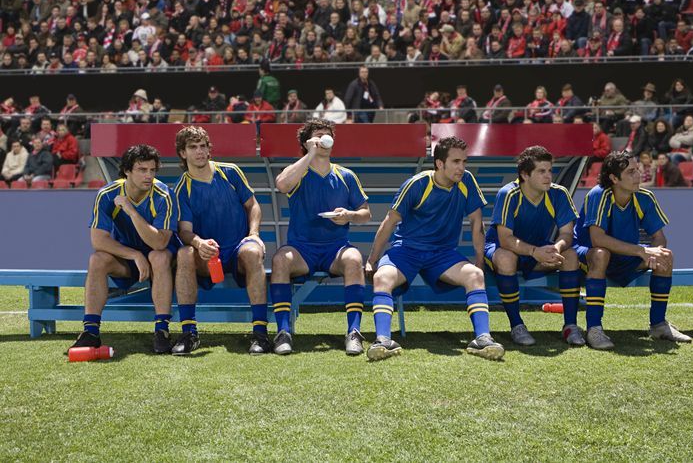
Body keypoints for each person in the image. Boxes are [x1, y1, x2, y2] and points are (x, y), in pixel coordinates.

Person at [364, 136, 504, 361]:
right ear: (440, 163)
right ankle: (383, 341)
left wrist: (479, 258)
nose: (462, 167)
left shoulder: (467, 181)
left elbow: (477, 223)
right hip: (407, 249)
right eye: (456, 162)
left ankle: (483, 339)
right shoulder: (417, 184)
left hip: (442, 254)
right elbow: (389, 223)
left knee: (475, 275)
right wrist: (372, 260)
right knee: (382, 278)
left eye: (464, 162)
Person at [573, 151, 692, 350]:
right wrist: (641, 251)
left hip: (624, 254)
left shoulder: (645, 197)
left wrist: (655, 252)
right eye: (631, 172)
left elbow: (659, 237)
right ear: (613, 178)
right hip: (588, 253)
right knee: (602, 254)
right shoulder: (599, 194)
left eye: (638, 170)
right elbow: (597, 239)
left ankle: (658, 325)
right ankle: (594, 328)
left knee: (665, 256)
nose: (638, 175)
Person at [271, 119, 371, 355]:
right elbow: (282, 184)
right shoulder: (299, 172)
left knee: (355, 259)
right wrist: (310, 153)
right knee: (280, 260)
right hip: (302, 249)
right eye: (318, 134)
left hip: (335, 249)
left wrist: (349, 215)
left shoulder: (346, 175)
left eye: (328, 134)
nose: (325, 138)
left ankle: (354, 332)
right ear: (307, 142)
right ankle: (283, 332)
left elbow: (366, 214)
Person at [69, 145, 180, 353]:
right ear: (127, 171)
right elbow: (98, 240)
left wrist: (130, 211)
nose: (149, 176)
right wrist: (135, 255)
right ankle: (90, 331)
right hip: (129, 259)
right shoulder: (107, 194)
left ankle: (162, 330)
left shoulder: (164, 195)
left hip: (160, 258)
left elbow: (160, 243)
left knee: (159, 256)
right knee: (97, 259)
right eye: (142, 170)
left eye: (152, 170)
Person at [173, 126, 269, 355]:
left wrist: (254, 234)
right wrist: (199, 243)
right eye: (193, 147)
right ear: (182, 153)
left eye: (203, 146)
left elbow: (253, 205)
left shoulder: (230, 172)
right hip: (207, 255)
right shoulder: (181, 189)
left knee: (253, 252)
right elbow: (185, 231)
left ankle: (260, 334)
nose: (199, 152)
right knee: (183, 253)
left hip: (238, 248)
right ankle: (189, 332)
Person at [485, 146, 582, 346]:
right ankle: (517, 325)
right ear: (524, 175)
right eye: (541, 171)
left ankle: (571, 325)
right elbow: (505, 239)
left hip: (538, 249)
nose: (548, 176)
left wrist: (556, 248)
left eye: (549, 171)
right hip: (502, 249)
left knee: (570, 256)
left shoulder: (559, 193)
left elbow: (566, 234)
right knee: (506, 258)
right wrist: (534, 252)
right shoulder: (509, 193)